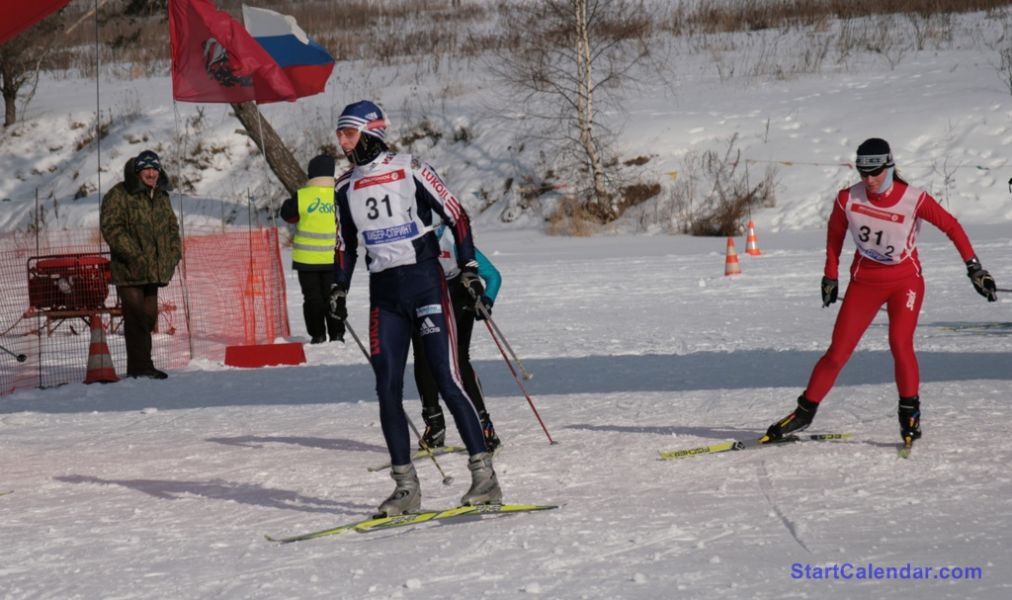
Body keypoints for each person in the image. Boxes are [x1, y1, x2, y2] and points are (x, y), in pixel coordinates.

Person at [327, 100, 502, 515]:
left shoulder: (410, 167)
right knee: (386, 386)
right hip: (385, 295)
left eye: (348, 134)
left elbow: (457, 216)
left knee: (446, 377)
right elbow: (344, 244)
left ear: (370, 132)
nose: (342, 142)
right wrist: (338, 287)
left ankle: (484, 477)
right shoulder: (344, 186)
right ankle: (405, 488)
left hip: (425, 284)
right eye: (340, 135)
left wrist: (471, 266)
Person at [765, 138, 998, 448]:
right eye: (863, 173)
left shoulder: (914, 199)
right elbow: (835, 236)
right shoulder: (847, 198)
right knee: (837, 353)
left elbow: (952, 226)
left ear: (889, 167)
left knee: (900, 344)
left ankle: (909, 413)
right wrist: (830, 276)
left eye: (875, 173)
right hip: (865, 283)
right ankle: (804, 413)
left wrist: (974, 268)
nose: (869, 180)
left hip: (905, 283)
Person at [412, 222, 502, 452]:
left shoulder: (454, 240)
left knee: (459, 358)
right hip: (427, 298)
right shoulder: (409, 240)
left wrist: (486, 301)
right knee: (424, 357)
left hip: (458, 298)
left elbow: (493, 276)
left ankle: (483, 424)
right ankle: (435, 425)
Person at [99, 150, 182, 380]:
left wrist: (175, 253)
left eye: (155, 169)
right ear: (138, 171)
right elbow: (112, 227)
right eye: (146, 169)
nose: (151, 173)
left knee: (148, 317)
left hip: (153, 271)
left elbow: (172, 228)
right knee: (136, 319)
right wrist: (135, 255)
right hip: (129, 270)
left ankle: (142, 365)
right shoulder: (119, 194)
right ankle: (141, 368)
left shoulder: (161, 196)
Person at [279, 154, 345, 344]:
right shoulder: (339, 195)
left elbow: (288, 215)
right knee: (335, 297)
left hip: (306, 260)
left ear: (312, 174)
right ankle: (337, 334)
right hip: (334, 258)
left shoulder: (303, 195)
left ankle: (318, 335)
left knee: (312, 299)